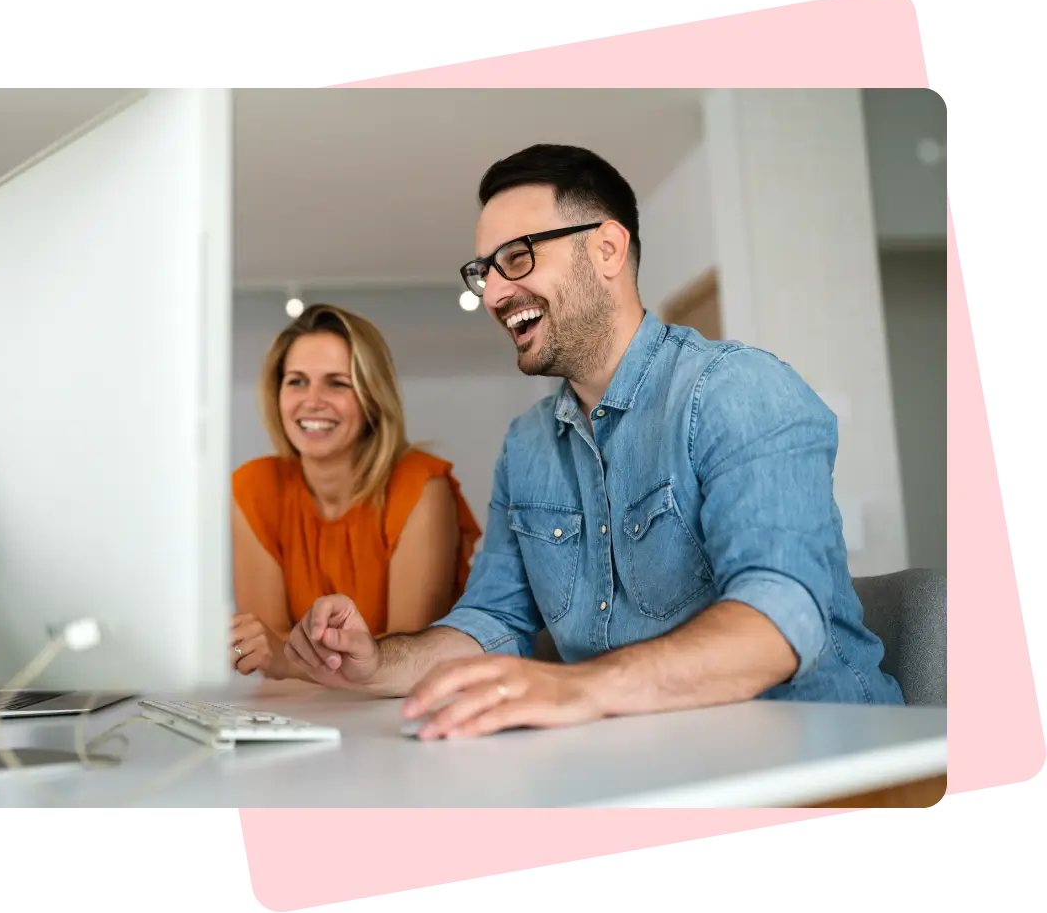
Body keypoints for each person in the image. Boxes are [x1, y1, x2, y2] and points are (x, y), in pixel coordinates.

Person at [281, 143, 907, 738]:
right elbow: (493, 621)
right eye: (484, 271)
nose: (495, 292)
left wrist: (578, 689)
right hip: (645, 759)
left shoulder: (736, 389)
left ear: (607, 248)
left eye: (518, 257)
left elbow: (777, 619)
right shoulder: (526, 446)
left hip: (829, 756)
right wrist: (375, 664)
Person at [229, 302, 483, 681]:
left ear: (372, 398)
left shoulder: (420, 486)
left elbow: (407, 652)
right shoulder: (254, 487)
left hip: (402, 708)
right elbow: (265, 650)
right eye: (296, 380)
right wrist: (276, 653)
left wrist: (288, 656)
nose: (312, 400)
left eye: (337, 383)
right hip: (302, 712)